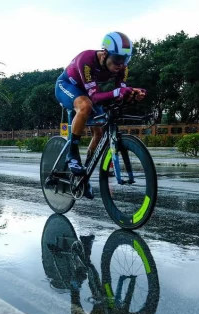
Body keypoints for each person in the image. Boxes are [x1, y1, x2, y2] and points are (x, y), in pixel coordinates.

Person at [54, 31, 146, 199]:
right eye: (117, 59)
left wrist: (132, 94)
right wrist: (119, 91)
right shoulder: (86, 60)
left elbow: (118, 95)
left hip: (89, 92)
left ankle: (85, 173)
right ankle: (72, 154)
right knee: (85, 105)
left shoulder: (122, 69)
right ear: (104, 53)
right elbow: (96, 97)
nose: (120, 64)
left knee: (100, 131)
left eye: (125, 60)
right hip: (67, 86)